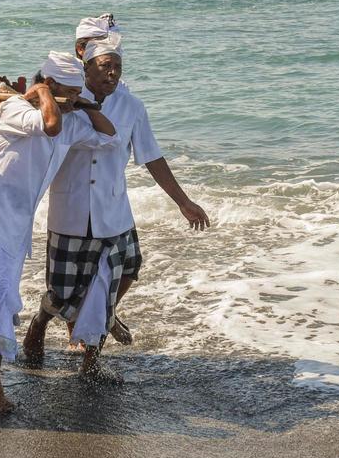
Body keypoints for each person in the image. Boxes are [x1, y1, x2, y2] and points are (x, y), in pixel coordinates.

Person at [24, 29, 210, 376]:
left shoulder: (132, 106)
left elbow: (152, 157)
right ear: (86, 68)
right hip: (70, 211)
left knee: (114, 281)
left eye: (118, 68)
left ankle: (92, 360)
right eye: (106, 66)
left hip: (114, 213)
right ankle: (40, 321)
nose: (113, 74)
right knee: (62, 295)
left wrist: (183, 202)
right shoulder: (63, 103)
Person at [0, 52, 119, 408]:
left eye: (74, 93)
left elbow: (108, 132)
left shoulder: (70, 118)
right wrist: (41, 93)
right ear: (49, 86)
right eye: (64, 92)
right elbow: (49, 124)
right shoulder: (14, 112)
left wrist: (80, 103)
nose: (69, 104)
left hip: (17, 230)